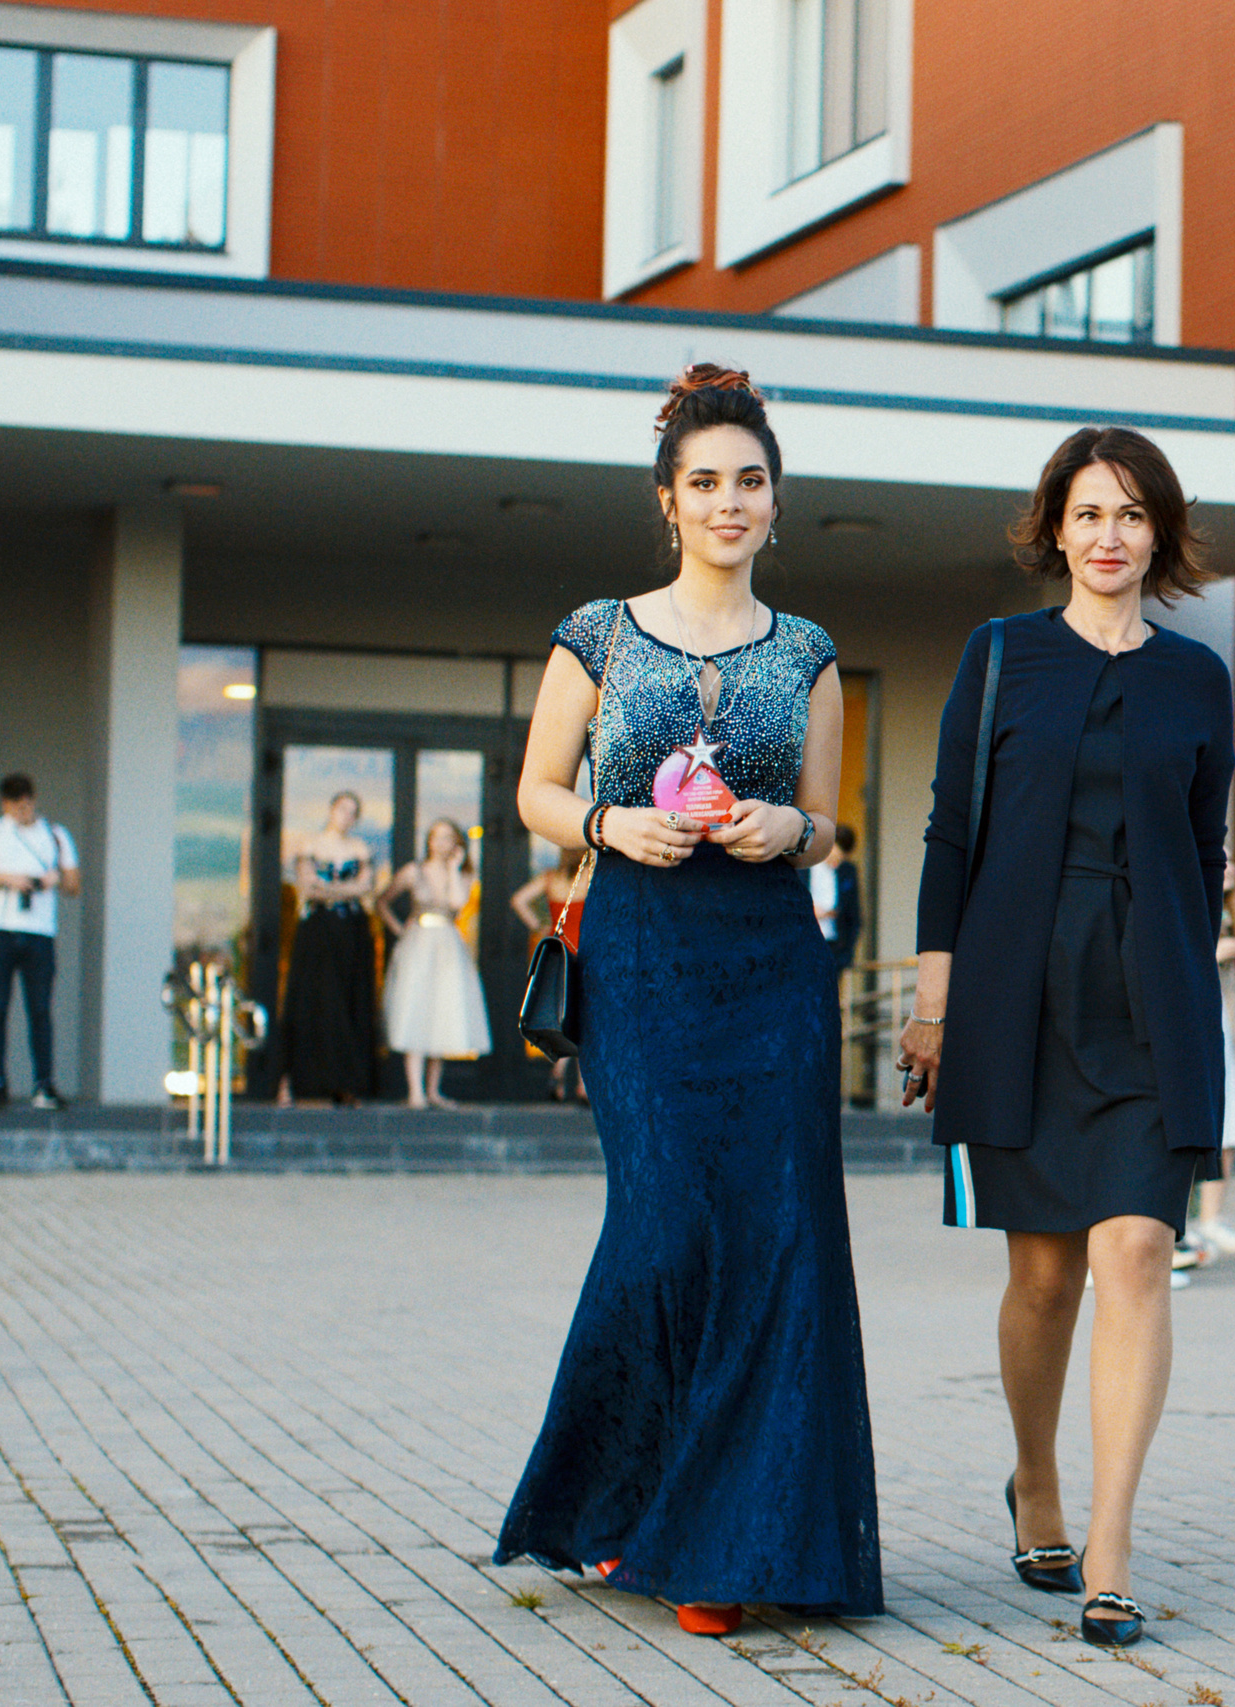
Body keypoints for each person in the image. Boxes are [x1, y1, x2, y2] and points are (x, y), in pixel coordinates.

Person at [496, 363, 881, 1634]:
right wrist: (608, 821)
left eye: (751, 483)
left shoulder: (812, 652)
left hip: (768, 964)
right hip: (643, 957)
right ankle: (618, 1505)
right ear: (668, 501)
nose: (730, 502)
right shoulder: (597, 631)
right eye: (705, 482)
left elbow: (827, 824)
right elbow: (536, 791)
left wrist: (787, 823)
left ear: (778, 505)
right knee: (664, 1227)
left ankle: (739, 1542)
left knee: (774, 1236)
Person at [899, 425, 1233, 1649]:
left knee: (1136, 1250)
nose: (1109, 537)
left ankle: (1108, 1543)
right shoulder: (999, 660)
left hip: (1148, 1004)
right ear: (1054, 529)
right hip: (1014, 997)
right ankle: (1033, 1477)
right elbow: (948, 840)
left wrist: (1193, 1007)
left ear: (1161, 534)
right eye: (1088, 514)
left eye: (1131, 516)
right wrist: (934, 1005)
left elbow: (1201, 850)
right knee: (1041, 1274)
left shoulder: (1199, 678)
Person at [0, 772, 79, 1109]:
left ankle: (44, 1083)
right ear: (5, 805)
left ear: (34, 800)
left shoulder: (55, 835)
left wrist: (53, 879)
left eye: (26, 804)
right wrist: (6, 878)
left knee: (40, 1009)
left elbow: (74, 884)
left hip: (39, 931)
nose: (22, 811)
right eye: (16, 806)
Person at [379, 818, 492, 1109]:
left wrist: (455, 868)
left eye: (447, 838)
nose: (441, 843)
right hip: (418, 942)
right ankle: (415, 1091)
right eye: (436, 837)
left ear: (456, 844)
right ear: (428, 840)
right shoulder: (412, 871)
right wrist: (398, 929)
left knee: (442, 1010)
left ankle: (433, 1090)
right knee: (414, 1007)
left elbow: (456, 904)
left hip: (448, 944)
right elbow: (382, 901)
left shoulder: (463, 875)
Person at [277, 791, 381, 1106]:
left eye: (353, 812)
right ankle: (290, 1083)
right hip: (317, 936)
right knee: (311, 1002)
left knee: (349, 1005)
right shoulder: (310, 846)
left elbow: (366, 885)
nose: (346, 816)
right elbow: (306, 886)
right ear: (331, 810)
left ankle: (345, 1083)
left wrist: (329, 890)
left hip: (350, 935)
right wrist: (343, 891)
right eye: (342, 809)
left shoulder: (360, 848)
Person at [1190, 861, 1235, 1257]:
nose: (1229, 864)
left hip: (1226, 1031)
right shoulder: (1191, 905)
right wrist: (1215, 953)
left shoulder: (1233, 912)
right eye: (1220, 856)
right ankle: (1185, 1222)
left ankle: (1211, 1219)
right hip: (1196, 1029)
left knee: (1228, 1126)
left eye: (1234, 860)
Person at [510, 850, 593, 1100]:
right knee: (585, 1019)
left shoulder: (549, 878)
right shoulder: (591, 875)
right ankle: (582, 1086)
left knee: (564, 1016)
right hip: (586, 951)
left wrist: (539, 927)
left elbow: (518, 900)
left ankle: (557, 1072)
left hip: (560, 951)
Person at [811, 822, 862, 974]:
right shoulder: (803, 866)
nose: (836, 860)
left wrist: (847, 953)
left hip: (833, 945)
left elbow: (854, 914)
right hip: (806, 940)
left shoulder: (847, 871)